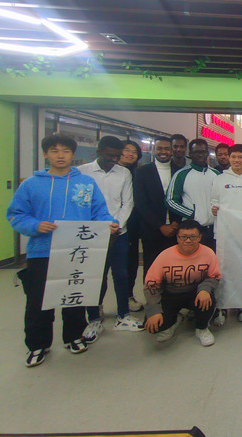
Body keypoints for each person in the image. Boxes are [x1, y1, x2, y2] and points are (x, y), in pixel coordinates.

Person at [7, 134, 119, 367]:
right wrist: (35, 226)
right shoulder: (31, 184)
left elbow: (99, 211)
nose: (60, 155)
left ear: (72, 155)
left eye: (66, 151)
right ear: (45, 154)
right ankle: (38, 345)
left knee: (74, 297)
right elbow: (16, 215)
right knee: (39, 301)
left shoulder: (85, 183)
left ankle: (74, 336)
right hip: (42, 252)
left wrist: (109, 223)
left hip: (77, 251)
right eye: (54, 151)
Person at [78, 136, 143, 342]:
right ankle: (94, 318)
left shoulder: (123, 173)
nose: (114, 160)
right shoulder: (82, 172)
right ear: (98, 152)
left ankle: (123, 315)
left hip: (118, 234)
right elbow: (80, 204)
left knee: (121, 275)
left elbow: (127, 203)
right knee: (95, 276)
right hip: (91, 234)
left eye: (117, 156)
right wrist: (97, 228)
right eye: (110, 156)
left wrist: (117, 226)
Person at [143, 220, 221, 346]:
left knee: (208, 300)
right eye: (183, 237)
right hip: (170, 295)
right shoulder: (164, 256)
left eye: (193, 237)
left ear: (200, 237)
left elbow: (214, 276)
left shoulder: (208, 253)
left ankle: (201, 328)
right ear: (177, 238)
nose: (188, 241)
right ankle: (174, 319)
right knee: (153, 325)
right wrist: (154, 310)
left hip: (195, 293)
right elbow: (151, 285)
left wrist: (204, 289)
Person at [210, 143, 242, 323]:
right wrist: (214, 209)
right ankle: (222, 306)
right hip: (224, 233)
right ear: (229, 158)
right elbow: (213, 201)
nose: (237, 160)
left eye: (240, 157)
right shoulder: (219, 179)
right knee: (224, 269)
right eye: (233, 157)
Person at [134, 137, 181, 282]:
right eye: (159, 148)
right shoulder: (142, 172)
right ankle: (152, 295)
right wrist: (160, 226)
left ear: (171, 151)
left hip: (175, 230)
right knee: (151, 268)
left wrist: (176, 223)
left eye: (167, 149)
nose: (163, 152)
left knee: (173, 268)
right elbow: (140, 203)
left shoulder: (179, 171)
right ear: (153, 150)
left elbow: (184, 199)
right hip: (152, 230)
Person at [166, 139, 221, 250]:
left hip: (215, 229)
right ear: (190, 154)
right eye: (196, 152)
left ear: (207, 153)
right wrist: (192, 214)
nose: (200, 155)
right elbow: (170, 200)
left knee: (213, 258)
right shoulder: (181, 174)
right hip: (192, 230)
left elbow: (223, 198)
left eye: (203, 151)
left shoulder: (216, 174)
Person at [118, 140, 143, 313]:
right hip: (107, 226)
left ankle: (128, 296)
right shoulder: (111, 172)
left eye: (134, 152)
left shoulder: (138, 173)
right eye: (126, 150)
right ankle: (97, 303)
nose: (130, 154)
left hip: (132, 226)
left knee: (130, 264)